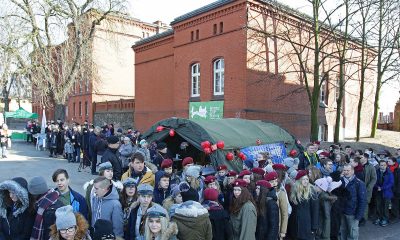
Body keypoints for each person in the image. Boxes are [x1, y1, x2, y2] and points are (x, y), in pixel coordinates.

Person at [287, 170, 319, 240]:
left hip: (307, 225)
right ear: (299, 180)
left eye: (307, 179)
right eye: (303, 179)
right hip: (294, 225)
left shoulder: (312, 192)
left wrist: (314, 227)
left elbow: (315, 210)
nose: (306, 181)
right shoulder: (294, 191)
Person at [340, 164, 367, 240]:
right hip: (342, 212)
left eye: (348, 170)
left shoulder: (359, 183)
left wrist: (359, 215)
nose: (346, 172)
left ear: (352, 171)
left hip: (353, 213)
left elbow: (362, 201)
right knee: (343, 231)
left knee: (352, 234)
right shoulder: (340, 181)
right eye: (344, 170)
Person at [265, 171, 289, 239]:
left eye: (276, 181)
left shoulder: (281, 193)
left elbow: (284, 213)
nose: (275, 183)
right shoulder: (265, 193)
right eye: (272, 182)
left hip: (277, 227)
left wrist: (283, 231)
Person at [373, 160, 394, 227]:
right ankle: (379, 217)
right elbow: (374, 180)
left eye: (384, 165)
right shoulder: (377, 172)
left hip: (386, 192)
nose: (383, 166)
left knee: (385, 206)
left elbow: (391, 183)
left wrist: (382, 188)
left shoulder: (389, 173)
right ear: (379, 165)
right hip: (378, 191)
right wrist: (377, 187)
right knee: (378, 205)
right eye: (381, 165)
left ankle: (385, 219)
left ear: (386, 165)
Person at [360, 152, 377, 225]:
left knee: (365, 203)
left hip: (367, 189)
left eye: (361, 157)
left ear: (366, 158)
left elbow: (374, 178)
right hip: (359, 188)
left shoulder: (371, 167)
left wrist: (369, 187)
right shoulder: (358, 166)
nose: (360, 159)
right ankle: (359, 218)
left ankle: (364, 219)